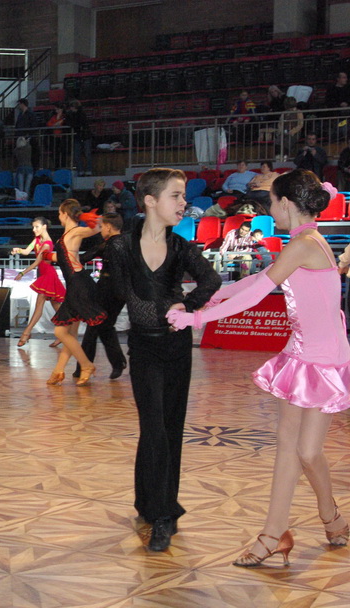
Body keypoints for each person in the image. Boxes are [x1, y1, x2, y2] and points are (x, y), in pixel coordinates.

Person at [168, 171, 350, 567]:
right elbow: (257, 279)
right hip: (301, 353)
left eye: (270, 203)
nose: (268, 211)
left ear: (284, 204)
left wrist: (198, 318)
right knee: (288, 448)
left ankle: (332, 516)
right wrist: (211, 295)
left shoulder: (304, 244)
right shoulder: (303, 241)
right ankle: (274, 533)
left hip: (325, 359)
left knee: (307, 451)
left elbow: (257, 292)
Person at [104, 168, 221, 552]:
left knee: (169, 427)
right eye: (176, 195)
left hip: (177, 348)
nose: (184, 202)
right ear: (150, 201)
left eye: (183, 195)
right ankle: (162, 513)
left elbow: (211, 281)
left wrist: (187, 305)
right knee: (153, 426)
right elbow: (118, 293)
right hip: (144, 348)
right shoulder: (121, 247)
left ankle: (153, 504)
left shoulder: (182, 246)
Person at [45, 199, 104, 386]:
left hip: (79, 285)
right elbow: (65, 257)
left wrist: (86, 217)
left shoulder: (76, 231)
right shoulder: (67, 235)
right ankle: (58, 370)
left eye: (60, 213)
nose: (59, 217)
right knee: (69, 332)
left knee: (60, 331)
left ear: (65, 213)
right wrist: (47, 255)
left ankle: (86, 365)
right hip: (76, 284)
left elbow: (98, 227)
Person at [73, 212, 127, 380]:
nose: (101, 229)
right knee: (104, 327)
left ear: (109, 227)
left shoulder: (109, 244)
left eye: (102, 226)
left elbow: (85, 257)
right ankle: (117, 362)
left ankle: (84, 367)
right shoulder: (126, 243)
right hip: (116, 292)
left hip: (109, 292)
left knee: (95, 327)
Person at [12, 217, 65, 347]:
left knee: (39, 305)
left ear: (44, 227)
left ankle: (26, 332)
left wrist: (23, 273)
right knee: (56, 306)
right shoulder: (37, 239)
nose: (34, 229)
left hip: (48, 275)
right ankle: (64, 333)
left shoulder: (47, 243)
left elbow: (37, 262)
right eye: (33, 227)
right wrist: (18, 250)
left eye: (37, 227)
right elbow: (26, 251)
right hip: (44, 275)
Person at [66, 100, 93, 176]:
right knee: (78, 154)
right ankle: (81, 170)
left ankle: (87, 170)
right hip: (78, 136)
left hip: (84, 135)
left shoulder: (81, 114)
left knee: (86, 153)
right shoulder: (71, 114)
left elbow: (79, 123)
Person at [14, 98, 40, 169]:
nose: (19, 106)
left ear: (22, 104)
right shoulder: (20, 114)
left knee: (31, 154)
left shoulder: (31, 114)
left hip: (28, 137)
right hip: (21, 137)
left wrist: (29, 135)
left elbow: (34, 125)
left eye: (19, 104)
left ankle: (33, 168)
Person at [276, 97, 303, 162]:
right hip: (284, 131)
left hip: (294, 132)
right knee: (278, 141)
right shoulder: (284, 113)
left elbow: (300, 124)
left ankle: (285, 158)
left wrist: (293, 131)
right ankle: (278, 158)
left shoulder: (298, 112)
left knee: (287, 142)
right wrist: (281, 131)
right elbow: (280, 123)